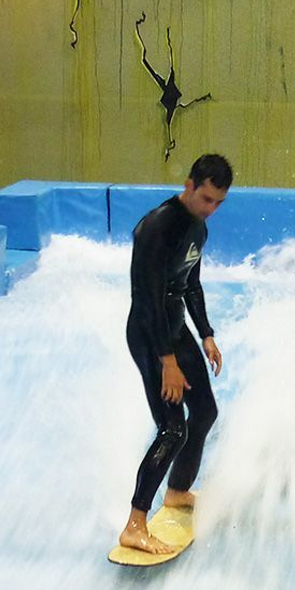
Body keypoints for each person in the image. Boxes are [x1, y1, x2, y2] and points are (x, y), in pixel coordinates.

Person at [119, 153, 232, 554]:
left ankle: (178, 491)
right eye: (206, 199)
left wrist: (206, 334)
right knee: (172, 428)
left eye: (218, 202)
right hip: (149, 333)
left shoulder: (198, 227)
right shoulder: (156, 227)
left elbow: (191, 284)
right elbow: (147, 299)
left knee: (204, 412)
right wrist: (167, 361)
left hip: (175, 328)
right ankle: (134, 525)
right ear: (189, 185)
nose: (211, 209)